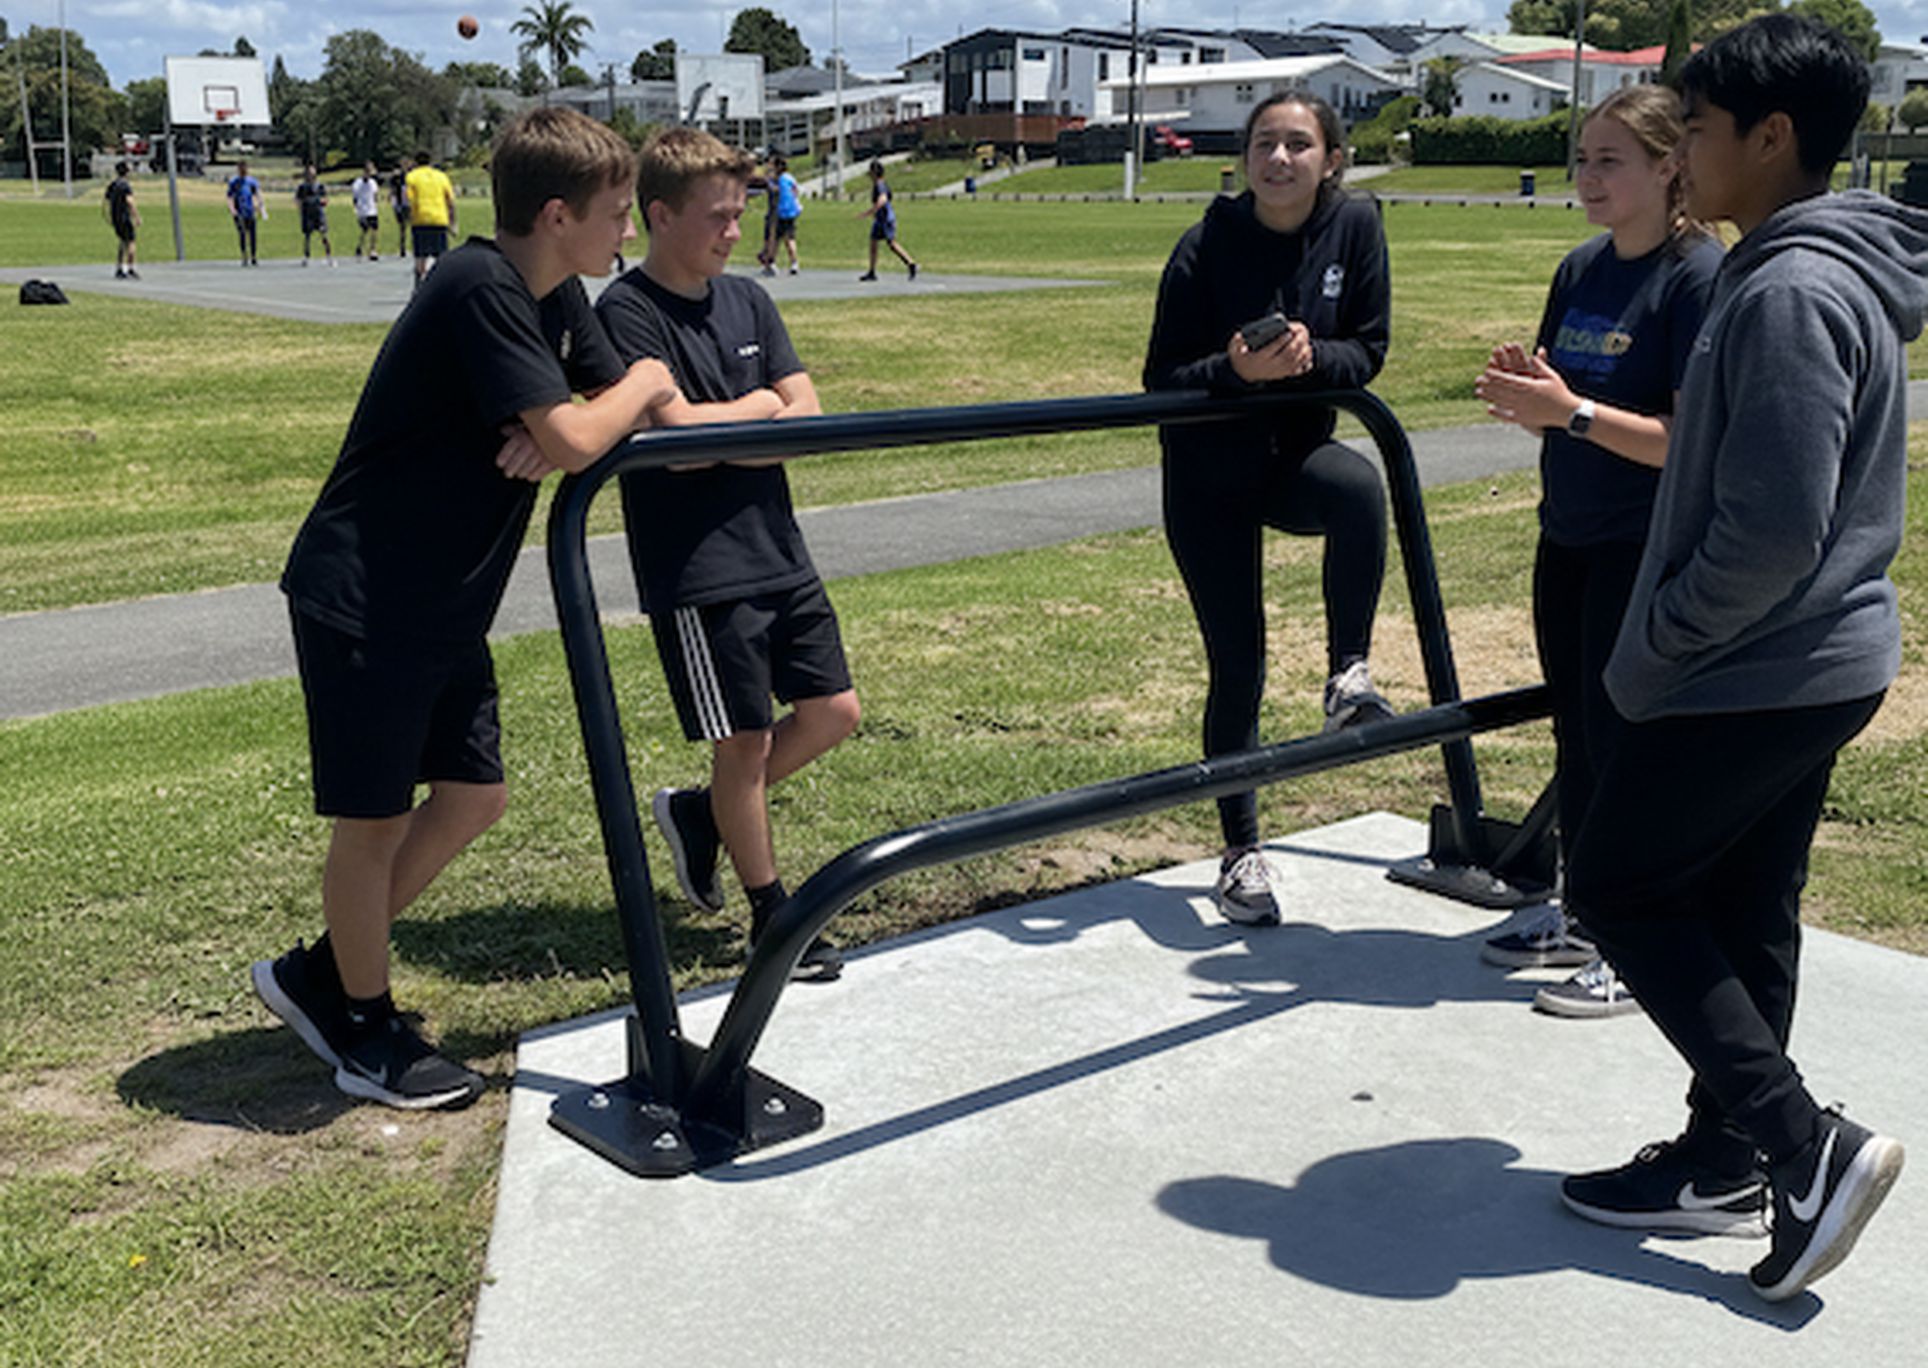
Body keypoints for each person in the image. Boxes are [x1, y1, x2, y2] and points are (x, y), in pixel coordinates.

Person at [1556, 14, 1921, 1301]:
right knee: (1742, 902)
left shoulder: (1784, 291)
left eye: (1698, 131)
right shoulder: (1807, 268)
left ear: (1770, 138)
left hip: (1759, 662)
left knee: (1616, 884)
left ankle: (1799, 1143)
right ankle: (1722, 1159)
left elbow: (1769, 530)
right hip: (1812, 657)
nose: (1680, 154)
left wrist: (1657, 641)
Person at [255, 108, 678, 1110]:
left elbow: (597, 418)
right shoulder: (478, 283)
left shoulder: (556, 294)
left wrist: (582, 418)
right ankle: (364, 1030)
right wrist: (622, 394)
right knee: (370, 824)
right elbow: (596, 424)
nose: (627, 232)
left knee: (474, 795)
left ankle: (322, 973)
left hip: (443, 603)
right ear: (558, 214)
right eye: (617, 213)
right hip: (369, 595)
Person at [1473, 85, 1721, 1018]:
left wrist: (1569, 410)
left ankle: (1635, 942)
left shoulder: (1696, 277)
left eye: (1610, 160)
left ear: (1669, 166)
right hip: (1569, 534)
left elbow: (1688, 441)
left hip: (1642, 546)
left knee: (1629, 747)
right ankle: (1584, 909)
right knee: (1576, 735)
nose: (1588, 177)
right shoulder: (1580, 268)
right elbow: (1567, 403)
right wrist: (1534, 396)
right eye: (1583, 158)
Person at [597, 127, 858, 983]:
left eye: (740, 214)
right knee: (742, 746)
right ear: (660, 214)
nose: (735, 232)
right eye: (717, 217)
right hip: (700, 570)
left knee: (834, 712)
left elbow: (806, 414)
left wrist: (736, 425)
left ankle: (703, 817)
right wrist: (758, 412)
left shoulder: (749, 300)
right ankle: (770, 916)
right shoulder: (626, 312)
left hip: (780, 549)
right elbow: (674, 441)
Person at [1143, 89, 1392, 927]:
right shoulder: (1205, 243)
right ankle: (1240, 851)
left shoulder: (1355, 226)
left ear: (1331, 159)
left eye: (1297, 144)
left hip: (1292, 458)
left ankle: (1348, 674)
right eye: (1263, 144)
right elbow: (1160, 378)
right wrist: (1235, 372)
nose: (1278, 159)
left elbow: (1369, 347)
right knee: (1239, 663)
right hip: (1208, 473)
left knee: (1359, 487)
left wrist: (1311, 358)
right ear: (1244, 158)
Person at [857, 159, 917, 281]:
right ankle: (872, 271)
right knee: (873, 242)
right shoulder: (878, 184)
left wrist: (870, 212)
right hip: (879, 220)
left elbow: (883, 199)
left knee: (892, 244)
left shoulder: (880, 185)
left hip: (886, 219)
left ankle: (911, 263)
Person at [406, 150, 458, 286]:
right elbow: (450, 201)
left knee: (420, 256)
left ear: (415, 162)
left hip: (420, 219)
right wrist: (453, 222)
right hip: (439, 218)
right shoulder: (441, 176)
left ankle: (419, 284)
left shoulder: (411, 177)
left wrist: (409, 218)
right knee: (441, 257)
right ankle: (443, 284)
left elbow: (409, 200)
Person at [103, 159, 140, 279]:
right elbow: (130, 202)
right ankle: (130, 268)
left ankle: (119, 267)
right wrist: (136, 216)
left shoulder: (113, 185)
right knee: (131, 242)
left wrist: (108, 216)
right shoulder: (125, 185)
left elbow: (106, 202)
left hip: (116, 217)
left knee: (122, 242)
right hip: (124, 217)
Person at [295, 162, 335, 267]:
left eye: (312, 173)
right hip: (307, 214)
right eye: (308, 173)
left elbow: (326, 198)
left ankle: (329, 257)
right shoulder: (302, 187)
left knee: (324, 234)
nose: (310, 175)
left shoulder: (320, 186)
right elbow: (298, 200)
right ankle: (306, 257)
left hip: (318, 213)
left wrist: (323, 202)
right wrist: (300, 210)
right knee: (307, 236)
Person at [226, 158, 265, 266]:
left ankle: (253, 255)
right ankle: (244, 255)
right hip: (240, 211)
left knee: (253, 235)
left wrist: (259, 204)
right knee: (242, 234)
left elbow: (257, 194)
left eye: (245, 168)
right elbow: (230, 197)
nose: (243, 170)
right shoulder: (234, 182)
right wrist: (232, 209)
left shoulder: (252, 182)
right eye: (241, 168)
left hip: (250, 211)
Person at [771, 155, 801, 274]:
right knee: (790, 238)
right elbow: (796, 191)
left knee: (777, 238)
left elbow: (776, 192)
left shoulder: (780, 179)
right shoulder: (790, 178)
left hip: (782, 211)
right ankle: (794, 263)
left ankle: (772, 262)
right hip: (792, 211)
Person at [350, 160, 383, 260]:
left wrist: (376, 203)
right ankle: (360, 247)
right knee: (365, 230)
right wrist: (356, 209)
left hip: (372, 209)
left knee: (374, 230)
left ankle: (372, 250)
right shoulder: (357, 183)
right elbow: (355, 197)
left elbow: (375, 195)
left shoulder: (373, 183)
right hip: (362, 210)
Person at [389, 157, 413, 259]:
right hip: (401, 204)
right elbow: (393, 189)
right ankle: (402, 248)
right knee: (402, 227)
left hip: (410, 203)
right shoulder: (397, 177)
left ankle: (413, 247)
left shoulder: (412, 176)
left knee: (413, 227)